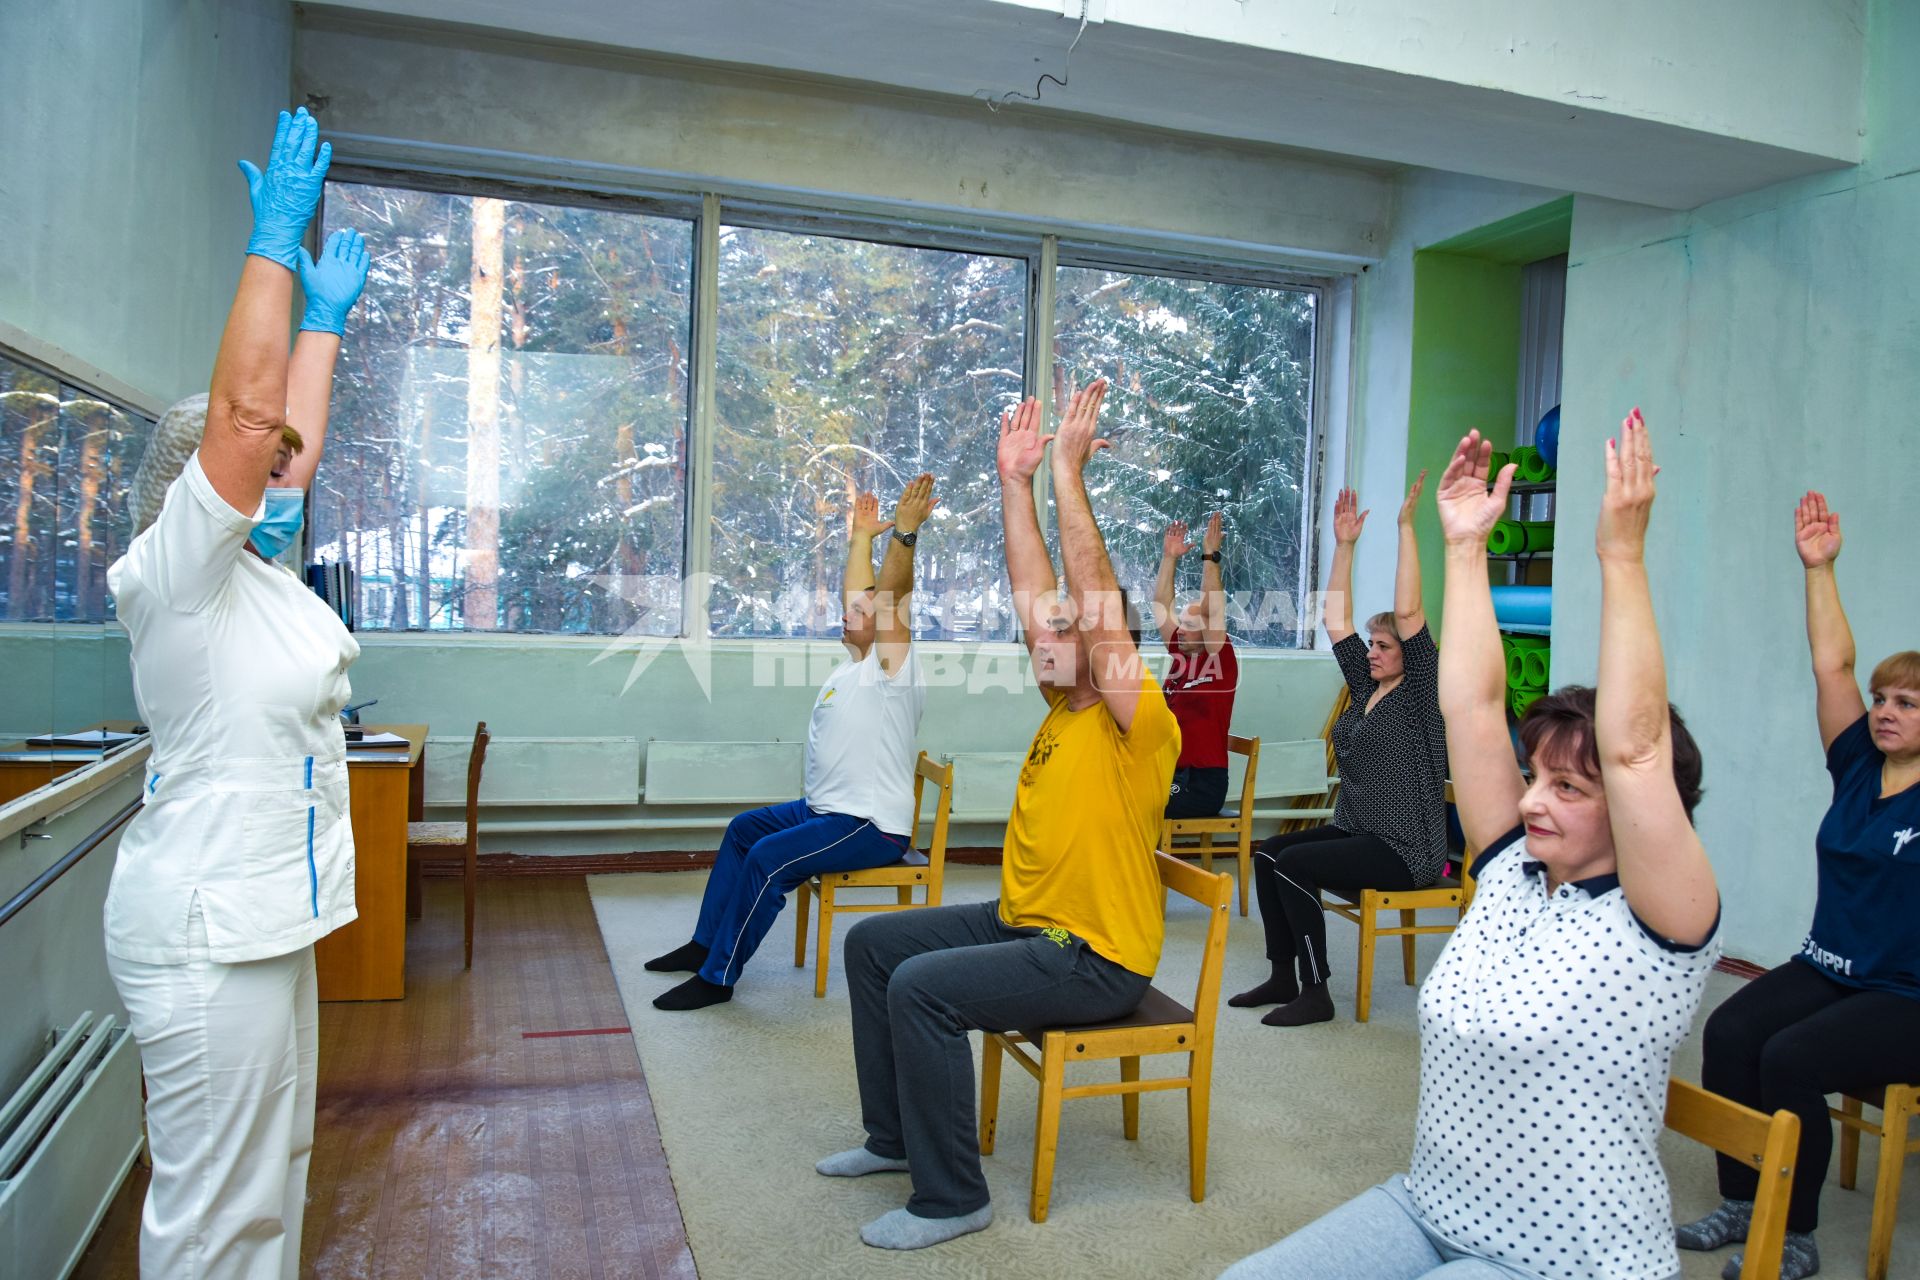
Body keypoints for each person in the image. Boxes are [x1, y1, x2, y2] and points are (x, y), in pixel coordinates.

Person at [1222, 411, 1722, 1280]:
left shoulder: (1660, 924)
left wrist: (1619, 558)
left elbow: (1636, 748)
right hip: (1430, 1206)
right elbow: (1474, 711)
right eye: (1534, 776)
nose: (1531, 799)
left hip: (1567, 1258)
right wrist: (1462, 550)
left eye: (1569, 787)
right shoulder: (1510, 876)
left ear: (1650, 811)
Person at [816, 380, 1180, 1251]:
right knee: (874, 946)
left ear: (1107, 641)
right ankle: (894, 1140)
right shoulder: (1063, 706)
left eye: (1069, 631)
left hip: (1093, 956)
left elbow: (1085, 595)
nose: (1042, 638)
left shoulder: (1140, 719)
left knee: (923, 989)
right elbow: (1039, 594)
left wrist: (1065, 473)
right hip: (1026, 924)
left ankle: (953, 1201)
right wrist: (1014, 485)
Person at [103, 107, 370, 1279]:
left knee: (272, 1179)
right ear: (202, 487)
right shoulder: (179, 571)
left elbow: (284, 439)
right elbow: (250, 421)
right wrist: (268, 253)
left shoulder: (252, 573)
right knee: (217, 1214)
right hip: (211, 928)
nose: (284, 481)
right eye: (259, 473)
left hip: (260, 920)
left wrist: (323, 325)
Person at [1675, 492, 1920, 1280]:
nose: (1885, 711)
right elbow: (1832, 665)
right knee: (1728, 1033)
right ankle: (1745, 1201)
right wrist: (1820, 568)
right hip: (1827, 967)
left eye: (1906, 704)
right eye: (1883, 699)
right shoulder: (1857, 769)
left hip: (1906, 995)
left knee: (1791, 1058)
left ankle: (1796, 1232)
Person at [645, 475, 935, 1009]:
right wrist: (861, 539)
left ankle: (718, 978)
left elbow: (887, 600)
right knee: (743, 831)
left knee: (769, 858)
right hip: (822, 811)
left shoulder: (893, 669)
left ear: (884, 624)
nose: (847, 613)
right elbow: (865, 595)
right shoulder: (854, 665)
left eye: (861, 612)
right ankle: (704, 943)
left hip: (868, 825)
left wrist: (905, 536)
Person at [1232, 471, 1447, 1026]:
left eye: (1383, 646)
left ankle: (1316, 990)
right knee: (1267, 853)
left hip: (1405, 848)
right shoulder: (1366, 688)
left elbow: (1410, 610)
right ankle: (1284, 973)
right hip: (1359, 831)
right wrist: (1344, 546)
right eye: (1370, 646)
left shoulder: (1424, 691)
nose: (1372, 653)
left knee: (1295, 865)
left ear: (1409, 651)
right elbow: (1335, 620)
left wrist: (1405, 528)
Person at [1155, 511, 1240, 819]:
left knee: (1140, 806)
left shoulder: (1220, 659)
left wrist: (1209, 556)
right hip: (1171, 773)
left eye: (1191, 623)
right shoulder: (1181, 654)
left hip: (1202, 782)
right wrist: (1169, 557)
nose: (1182, 627)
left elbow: (1213, 608)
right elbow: (1161, 606)